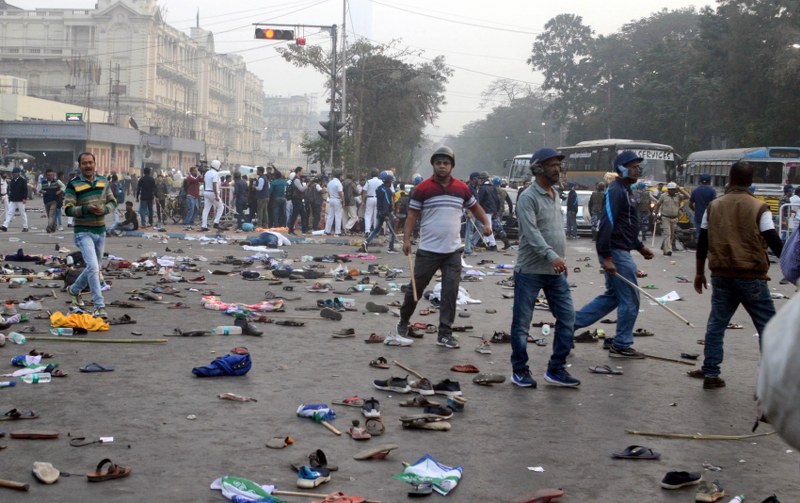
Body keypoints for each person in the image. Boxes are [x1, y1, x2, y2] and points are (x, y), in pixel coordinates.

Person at [692, 161, 783, 389]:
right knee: (768, 327)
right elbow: (773, 240)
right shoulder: (758, 207)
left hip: (721, 275)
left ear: (729, 179)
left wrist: (698, 273)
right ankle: (769, 381)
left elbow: (702, 241)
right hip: (751, 276)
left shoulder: (714, 206)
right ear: (751, 182)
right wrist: (791, 267)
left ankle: (711, 373)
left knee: (716, 325)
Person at [394, 146, 492, 348]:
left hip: (452, 251)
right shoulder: (423, 189)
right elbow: (412, 215)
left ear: (452, 166)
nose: (442, 166)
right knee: (416, 289)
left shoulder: (462, 188)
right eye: (438, 163)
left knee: (450, 291)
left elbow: (476, 208)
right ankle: (403, 322)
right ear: (433, 165)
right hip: (428, 250)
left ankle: (445, 333)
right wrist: (406, 240)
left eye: (446, 163)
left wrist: (487, 224)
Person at [508, 148, 580, 388]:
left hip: (555, 271)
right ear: (538, 168)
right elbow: (531, 233)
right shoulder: (528, 197)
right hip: (530, 271)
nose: (557, 169)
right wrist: (552, 256)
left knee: (568, 318)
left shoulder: (555, 193)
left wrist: (560, 259)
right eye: (552, 165)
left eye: (559, 165)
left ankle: (556, 369)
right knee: (521, 325)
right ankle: (520, 370)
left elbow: (555, 230)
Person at [572, 151, 655, 358]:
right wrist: (607, 257)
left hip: (621, 250)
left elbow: (624, 225)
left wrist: (639, 246)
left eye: (638, 166)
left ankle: (569, 325)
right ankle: (621, 344)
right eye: (633, 166)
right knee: (631, 299)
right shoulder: (616, 190)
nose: (638, 169)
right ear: (621, 168)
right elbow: (607, 224)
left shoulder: (628, 191)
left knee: (613, 297)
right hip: (615, 253)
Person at [64, 152, 117, 320]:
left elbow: (112, 201)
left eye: (90, 163)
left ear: (95, 164)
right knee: (94, 268)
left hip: (100, 231)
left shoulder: (103, 181)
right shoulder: (73, 184)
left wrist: (105, 209)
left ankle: (74, 290)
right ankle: (99, 306)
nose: (88, 166)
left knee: (93, 267)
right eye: (84, 163)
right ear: (79, 166)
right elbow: (68, 209)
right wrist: (87, 209)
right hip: (83, 231)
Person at [361, 171, 398, 254]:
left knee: (376, 230)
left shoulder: (379, 189)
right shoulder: (387, 191)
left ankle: (366, 242)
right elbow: (387, 202)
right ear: (389, 182)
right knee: (392, 230)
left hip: (379, 211)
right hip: (386, 213)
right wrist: (386, 214)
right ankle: (390, 248)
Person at [654, 181, 689, 256]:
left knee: (672, 235)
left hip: (674, 218)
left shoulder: (678, 196)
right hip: (665, 218)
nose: (672, 191)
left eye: (673, 189)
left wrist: (679, 189)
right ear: (668, 189)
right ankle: (668, 250)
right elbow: (658, 205)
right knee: (667, 234)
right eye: (670, 189)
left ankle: (665, 248)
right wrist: (655, 215)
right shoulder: (663, 196)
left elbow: (688, 196)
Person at [477, 171, 505, 250]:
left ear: (483, 179)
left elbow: (479, 199)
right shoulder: (492, 187)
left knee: (488, 227)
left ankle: (493, 244)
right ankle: (486, 242)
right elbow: (498, 199)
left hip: (485, 209)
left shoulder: (482, 188)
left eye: (480, 179)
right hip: (493, 210)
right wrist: (497, 209)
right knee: (486, 226)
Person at [1, 167, 29, 232]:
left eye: (15, 173)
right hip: (13, 199)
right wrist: (10, 198)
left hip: (20, 199)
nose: (13, 174)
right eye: (13, 173)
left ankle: (25, 227)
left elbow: (25, 190)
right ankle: (5, 226)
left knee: (22, 213)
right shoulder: (12, 181)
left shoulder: (22, 180)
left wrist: (24, 198)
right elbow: (11, 190)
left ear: (18, 173)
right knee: (9, 213)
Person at [201, 160, 224, 231]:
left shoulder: (207, 173)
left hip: (206, 191)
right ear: (217, 166)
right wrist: (216, 195)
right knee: (221, 207)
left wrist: (204, 191)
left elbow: (204, 182)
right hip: (212, 192)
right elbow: (214, 184)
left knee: (206, 209)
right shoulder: (215, 174)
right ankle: (216, 223)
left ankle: (204, 225)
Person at [40, 168, 64, 233]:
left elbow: (64, 187)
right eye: (48, 175)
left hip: (54, 201)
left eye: (51, 175)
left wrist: (59, 191)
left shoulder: (57, 182)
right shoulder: (43, 182)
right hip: (46, 201)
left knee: (51, 215)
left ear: (53, 175)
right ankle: (54, 226)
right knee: (49, 216)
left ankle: (49, 227)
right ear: (46, 175)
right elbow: (39, 189)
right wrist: (42, 191)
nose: (50, 176)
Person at [287, 167, 308, 235]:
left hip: (299, 199)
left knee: (303, 214)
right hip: (296, 199)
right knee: (294, 215)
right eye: (302, 171)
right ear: (298, 172)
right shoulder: (296, 180)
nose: (303, 172)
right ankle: (290, 230)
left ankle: (304, 230)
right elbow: (301, 189)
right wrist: (307, 184)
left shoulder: (298, 179)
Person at [361, 169, 382, 235]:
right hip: (378, 199)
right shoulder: (381, 181)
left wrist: (363, 201)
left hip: (370, 199)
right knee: (376, 215)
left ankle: (367, 231)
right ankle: (376, 232)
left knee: (368, 215)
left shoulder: (369, 181)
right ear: (378, 174)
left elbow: (364, 191)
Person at [325, 170, 344, 236]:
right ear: (340, 176)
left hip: (331, 199)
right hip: (337, 199)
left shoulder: (330, 182)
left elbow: (328, 192)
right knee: (338, 216)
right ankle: (337, 232)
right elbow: (340, 193)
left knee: (330, 215)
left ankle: (327, 230)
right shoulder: (338, 183)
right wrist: (342, 200)